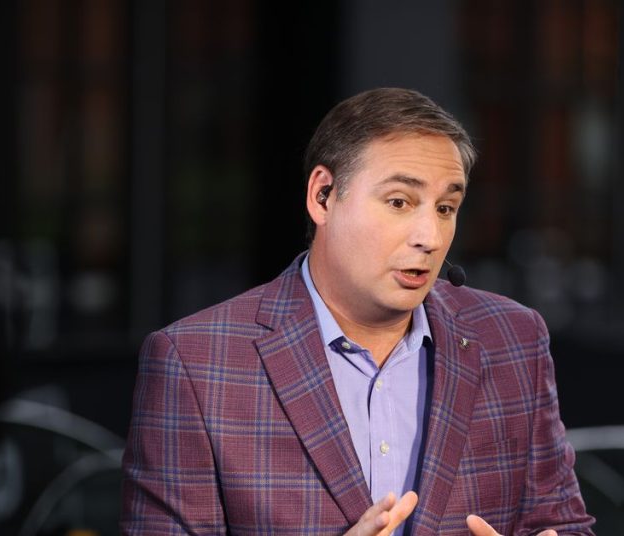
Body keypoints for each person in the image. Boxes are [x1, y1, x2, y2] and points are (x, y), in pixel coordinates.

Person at [121, 88, 595, 535]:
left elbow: (564, 523)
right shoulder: (197, 363)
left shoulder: (512, 339)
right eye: (399, 202)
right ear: (323, 196)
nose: (430, 237)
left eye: (446, 208)